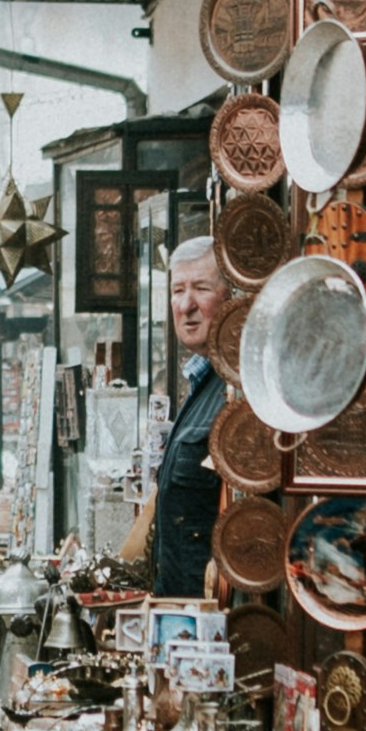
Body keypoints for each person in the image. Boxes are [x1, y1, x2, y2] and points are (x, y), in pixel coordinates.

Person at [121, 236, 227, 597]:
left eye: (201, 288)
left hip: (209, 613)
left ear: (230, 298)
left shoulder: (233, 389)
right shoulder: (203, 381)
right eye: (178, 290)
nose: (186, 305)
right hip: (182, 610)